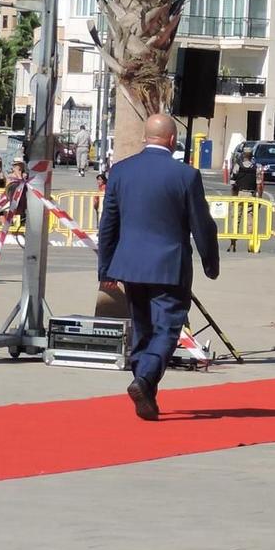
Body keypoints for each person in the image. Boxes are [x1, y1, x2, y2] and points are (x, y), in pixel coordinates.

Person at [96, 112, 220, 422]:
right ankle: (144, 380)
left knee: (142, 328)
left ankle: (146, 393)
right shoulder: (185, 176)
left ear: (144, 137)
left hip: (130, 266)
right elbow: (201, 225)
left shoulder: (121, 172)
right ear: (173, 140)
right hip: (169, 266)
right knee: (167, 328)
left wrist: (106, 269)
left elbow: (108, 223)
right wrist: (210, 262)